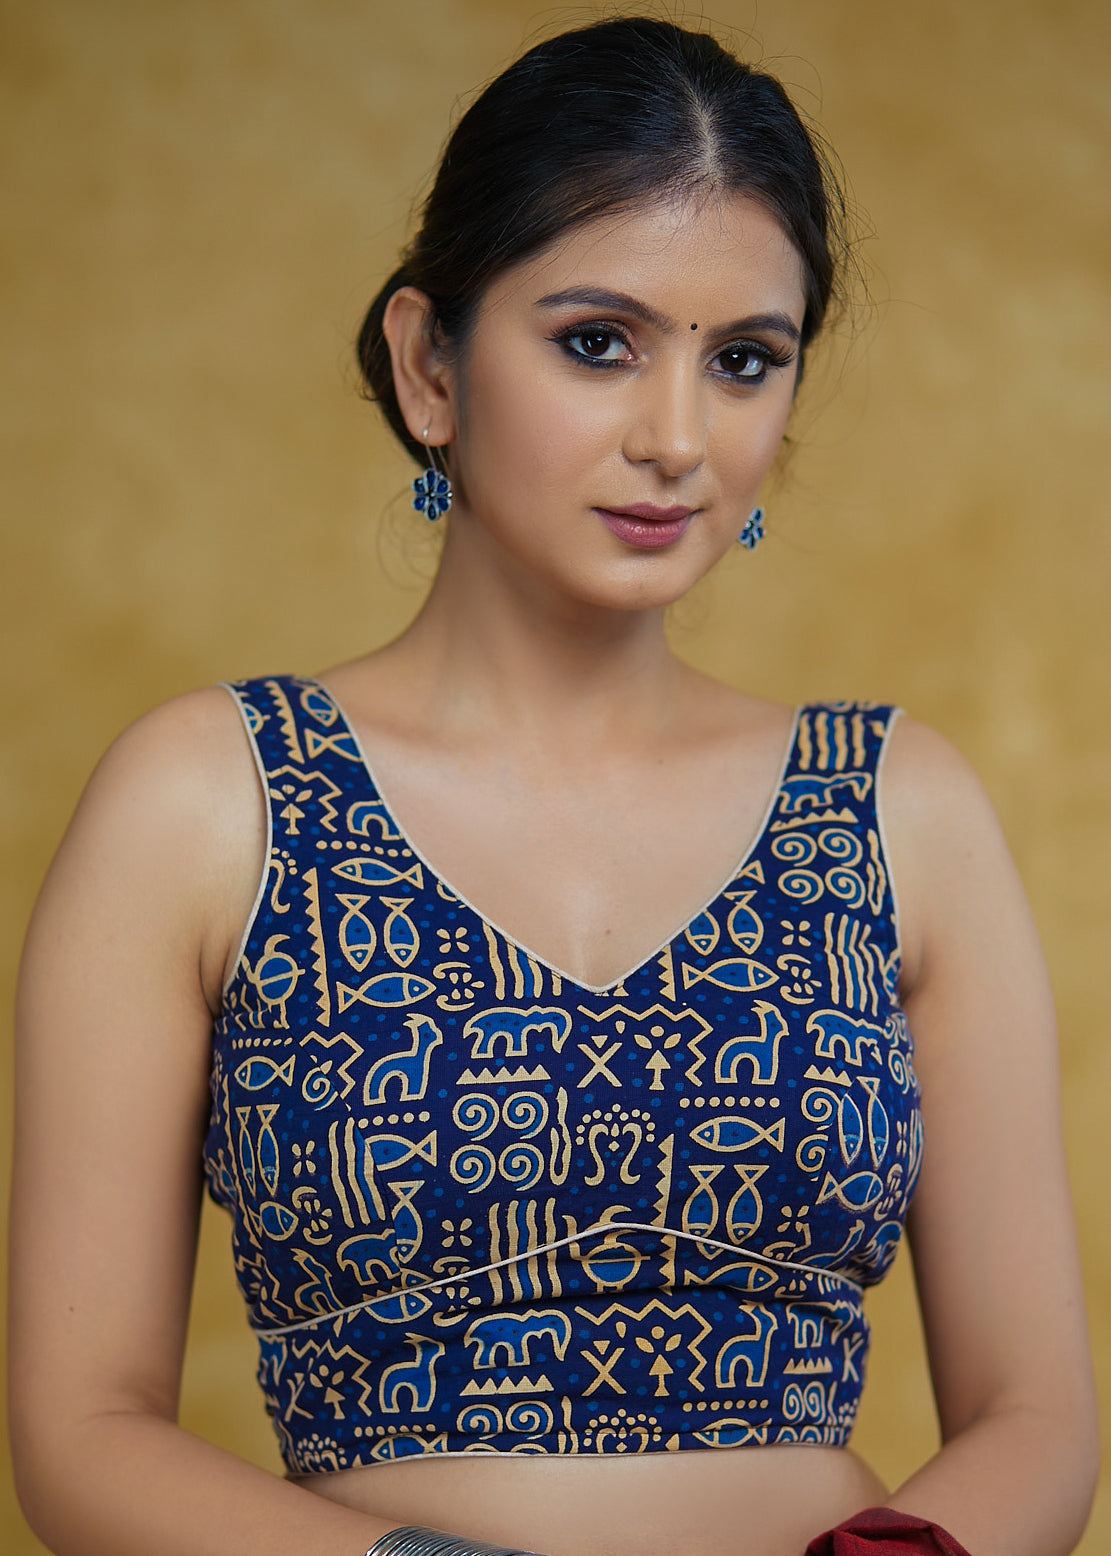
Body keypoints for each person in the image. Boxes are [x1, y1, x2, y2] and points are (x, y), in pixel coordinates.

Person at [8, 15, 1098, 1556]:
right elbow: (82, 1435)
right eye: (598, 343)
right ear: (428, 366)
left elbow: (1037, 1417)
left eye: (744, 362)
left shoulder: (896, 812)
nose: (678, 438)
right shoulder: (209, 802)